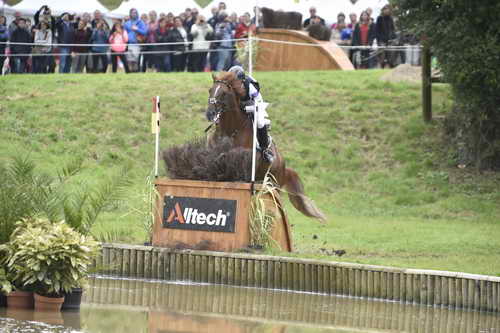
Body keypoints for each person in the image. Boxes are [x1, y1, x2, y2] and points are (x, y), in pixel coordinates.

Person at [228, 65, 274, 163]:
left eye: (236, 82)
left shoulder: (250, 86)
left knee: (260, 122)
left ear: (241, 80)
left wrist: (248, 108)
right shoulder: (230, 85)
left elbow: (258, 102)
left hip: (255, 104)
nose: (234, 84)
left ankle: (265, 149)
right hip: (241, 107)